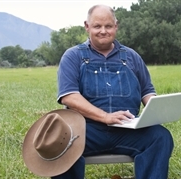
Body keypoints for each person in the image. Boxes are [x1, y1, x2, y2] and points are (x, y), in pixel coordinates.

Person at [54, 4, 174, 179]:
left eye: (108, 26)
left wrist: (156, 109)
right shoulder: (73, 56)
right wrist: (105, 117)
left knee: (160, 137)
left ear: (116, 26)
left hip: (127, 129)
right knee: (60, 143)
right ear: (87, 26)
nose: (103, 31)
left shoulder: (132, 56)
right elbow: (69, 96)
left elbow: (147, 91)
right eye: (97, 26)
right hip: (87, 130)